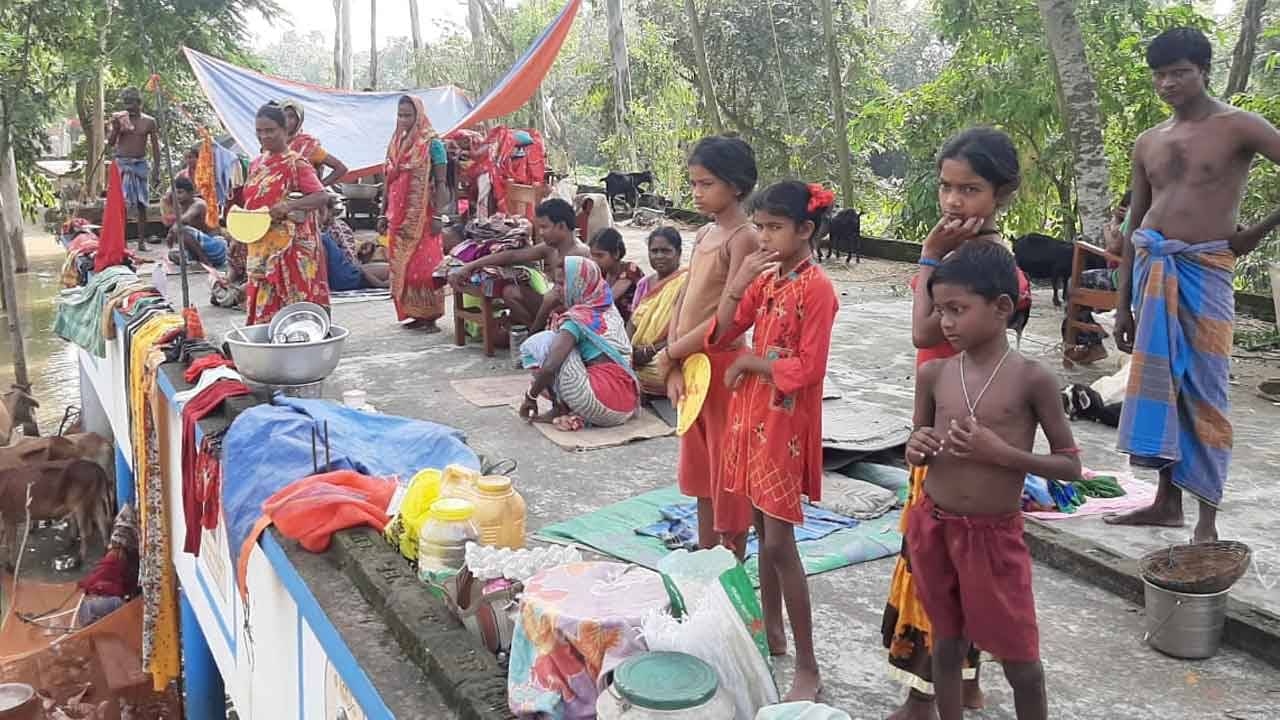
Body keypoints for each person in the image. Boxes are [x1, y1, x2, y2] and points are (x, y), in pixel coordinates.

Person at [1108, 27, 1280, 543]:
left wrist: (1253, 233)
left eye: (1179, 72)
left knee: (1205, 391)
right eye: (1160, 75)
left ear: (1203, 69)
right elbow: (1134, 227)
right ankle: (1166, 503)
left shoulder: (1240, 127)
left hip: (1206, 270)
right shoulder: (1149, 141)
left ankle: (1207, 519)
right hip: (1151, 269)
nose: (1168, 84)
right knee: (1161, 389)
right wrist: (1122, 307)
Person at [906, 239, 1081, 720]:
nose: (945, 322)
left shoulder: (1032, 379)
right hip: (934, 527)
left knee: (1021, 661)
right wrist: (916, 449)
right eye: (940, 310)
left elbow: (1070, 467)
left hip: (993, 537)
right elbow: (917, 444)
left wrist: (1002, 454)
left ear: (1002, 307)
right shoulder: (936, 375)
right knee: (946, 643)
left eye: (957, 309)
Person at [886, 126, 1026, 720]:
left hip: (960, 437)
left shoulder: (986, 267)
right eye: (946, 187)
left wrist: (926, 253)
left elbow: (923, 332)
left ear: (1002, 193)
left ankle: (924, 698)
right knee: (953, 566)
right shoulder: (967, 257)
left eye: (969, 190)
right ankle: (964, 682)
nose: (953, 202)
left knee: (934, 571)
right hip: (944, 423)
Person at [711, 181, 839, 702]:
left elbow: (808, 369)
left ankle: (808, 665)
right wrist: (737, 283)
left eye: (773, 228)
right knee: (762, 530)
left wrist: (750, 362)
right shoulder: (766, 278)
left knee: (781, 542)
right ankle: (774, 630)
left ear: (805, 230)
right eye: (759, 227)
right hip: (750, 418)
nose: (763, 237)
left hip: (783, 424)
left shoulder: (817, 288)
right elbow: (723, 332)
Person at [663, 135, 759, 558]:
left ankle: (731, 557)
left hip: (723, 368)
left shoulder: (745, 238)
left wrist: (671, 353)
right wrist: (672, 361)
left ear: (735, 186)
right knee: (700, 468)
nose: (697, 193)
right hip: (691, 364)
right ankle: (706, 555)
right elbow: (684, 298)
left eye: (706, 184)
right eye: (694, 184)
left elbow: (727, 318)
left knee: (728, 469)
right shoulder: (704, 233)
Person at [518, 257, 639, 431]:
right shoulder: (607, 307)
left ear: (578, 285)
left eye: (561, 284)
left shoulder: (576, 320)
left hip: (598, 403)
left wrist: (530, 397)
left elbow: (551, 366)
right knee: (561, 344)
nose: (556, 290)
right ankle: (565, 407)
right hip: (626, 405)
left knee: (544, 342)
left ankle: (559, 408)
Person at [240, 103, 330, 325]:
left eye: (270, 130)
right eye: (259, 131)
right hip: (260, 244)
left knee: (293, 300)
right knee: (263, 298)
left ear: (284, 130)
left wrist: (288, 207)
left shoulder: (295, 163)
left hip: (290, 246)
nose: (264, 136)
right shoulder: (255, 164)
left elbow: (321, 196)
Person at [448, 198, 588, 329]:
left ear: (561, 226)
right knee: (510, 292)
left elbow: (555, 300)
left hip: (574, 315)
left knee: (510, 334)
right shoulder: (550, 247)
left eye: (544, 227)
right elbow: (512, 255)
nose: (540, 232)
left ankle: (537, 332)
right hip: (552, 306)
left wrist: (534, 331)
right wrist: (470, 266)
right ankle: (537, 332)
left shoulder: (578, 254)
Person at [380, 95, 450, 332]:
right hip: (396, 217)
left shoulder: (433, 144)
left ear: (418, 115)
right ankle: (414, 313)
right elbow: (387, 181)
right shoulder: (395, 143)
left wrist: (439, 216)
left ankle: (430, 317)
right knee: (404, 268)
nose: (403, 120)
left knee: (424, 269)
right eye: (400, 115)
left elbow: (441, 184)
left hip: (424, 217)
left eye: (408, 115)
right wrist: (382, 213)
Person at [1063, 191, 1131, 366]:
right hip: (1150, 280)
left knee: (1076, 282)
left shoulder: (1137, 214)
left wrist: (1109, 227)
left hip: (1125, 281)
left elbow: (1113, 249)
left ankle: (1091, 343)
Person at [627, 227, 687, 396]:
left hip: (668, 352)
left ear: (679, 252)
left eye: (666, 251)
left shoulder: (685, 282)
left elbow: (685, 328)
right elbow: (634, 319)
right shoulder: (644, 283)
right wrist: (628, 351)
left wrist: (649, 351)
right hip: (637, 355)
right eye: (654, 251)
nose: (659, 256)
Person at [107, 87, 161, 252]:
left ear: (140, 103)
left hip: (140, 164)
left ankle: (141, 242)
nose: (129, 107)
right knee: (120, 204)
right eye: (126, 103)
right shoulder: (119, 119)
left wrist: (156, 171)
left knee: (141, 204)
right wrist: (116, 129)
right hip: (122, 164)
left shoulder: (149, 122)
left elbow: (156, 148)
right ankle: (121, 242)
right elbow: (110, 143)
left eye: (132, 103)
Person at [321, 194, 389, 291]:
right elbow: (350, 259)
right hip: (347, 277)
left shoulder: (324, 233)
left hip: (345, 276)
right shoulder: (331, 231)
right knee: (390, 270)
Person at [281, 101, 350, 186]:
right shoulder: (275, 144)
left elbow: (341, 168)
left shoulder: (308, 146)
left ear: (299, 121)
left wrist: (319, 187)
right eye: (283, 116)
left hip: (306, 197)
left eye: (291, 116)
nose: (287, 120)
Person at [164, 176, 227, 269]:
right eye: (175, 193)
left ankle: (205, 262)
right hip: (204, 248)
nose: (177, 196)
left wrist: (171, 232)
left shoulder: (198, 204)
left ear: (190, 193)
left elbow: (184, 220)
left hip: (216, 247)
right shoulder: (180, 206)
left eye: (180, 192)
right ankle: (197, 260)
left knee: (181, 230)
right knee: (172, 255)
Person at [588, 227, 644, 321]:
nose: (594, 260)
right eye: (592, 255)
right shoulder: (602, 272)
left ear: (616, 254)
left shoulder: (630, 270)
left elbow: (606, 300)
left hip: (632, 325)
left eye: (600, 255)